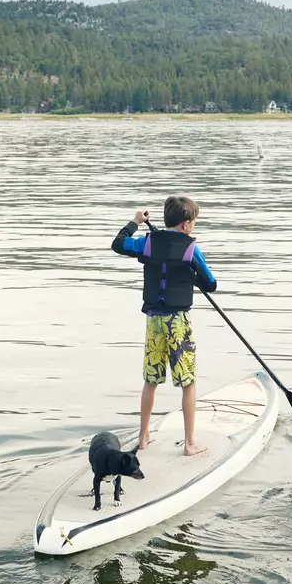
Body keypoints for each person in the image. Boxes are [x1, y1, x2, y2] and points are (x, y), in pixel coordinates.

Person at [111, 195, 218, 456]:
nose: (192, 227)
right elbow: (211, 283)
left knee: (151, 379)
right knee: (188, 382)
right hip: (178, 322)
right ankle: (190, 443)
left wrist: (134, 222)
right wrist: (192, 275)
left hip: (154, 321)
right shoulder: (191, 250)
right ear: (184, 224)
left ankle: (144, 436)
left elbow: (118, 244)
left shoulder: (147, 242)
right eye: (192, 223)